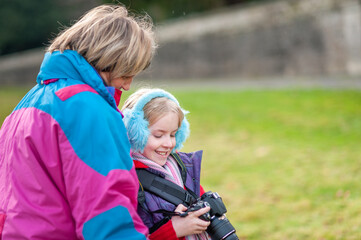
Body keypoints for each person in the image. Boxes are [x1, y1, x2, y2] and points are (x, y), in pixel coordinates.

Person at [0, 4, 156, 239]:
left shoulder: (25, 104)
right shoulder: (86, 107)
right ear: (108, 60)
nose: (128, 85)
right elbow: (107, 209)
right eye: (126, 74)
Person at [121, 88, 211, 240]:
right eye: (158, 135)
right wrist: (174, 229)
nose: (168, 143)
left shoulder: (182, 168)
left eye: (173, 134)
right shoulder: (126, 181)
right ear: (134, 133)